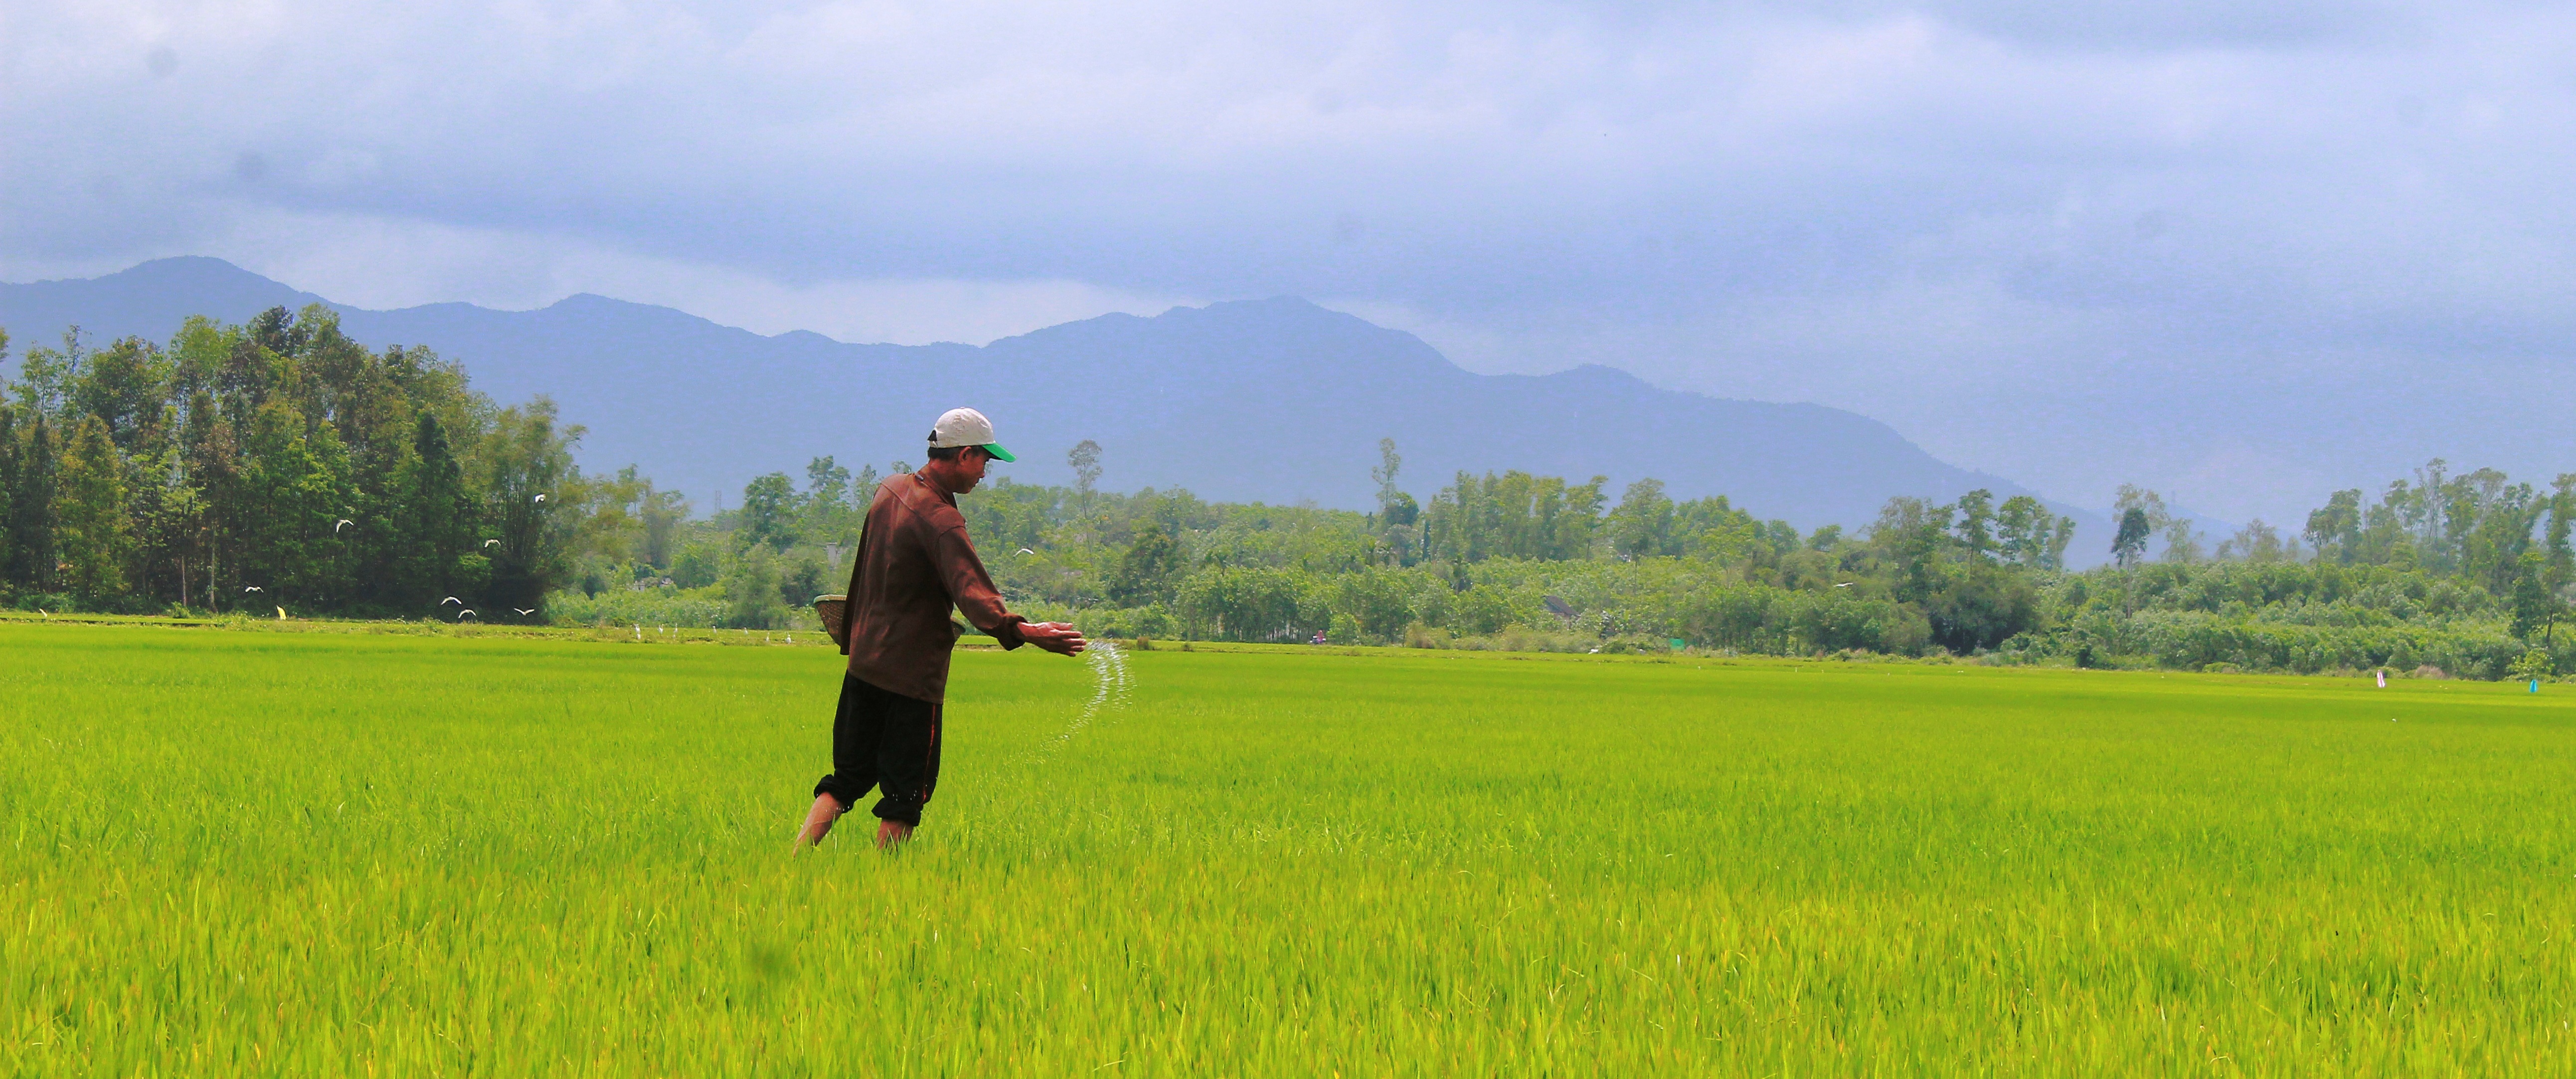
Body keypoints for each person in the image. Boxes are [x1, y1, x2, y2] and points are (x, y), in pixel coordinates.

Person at [796, 407, 1086, 851]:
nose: (986, 474)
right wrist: (1027, 632)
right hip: (910, 677)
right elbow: (973, 594)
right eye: (985, 461)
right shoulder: (941, 520)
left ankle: (794, 860)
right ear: (964, 454)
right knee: (905, 795)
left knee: (847, 777)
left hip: (864, 662)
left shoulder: (889, 490)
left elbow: (866, 571)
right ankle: (884, 892)